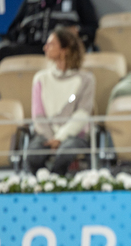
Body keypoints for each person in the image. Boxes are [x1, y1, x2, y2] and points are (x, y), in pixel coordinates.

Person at [27, 26, 95, 175]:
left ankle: (58, 187)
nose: (45, 48)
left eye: (51, 44)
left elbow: (82, 113)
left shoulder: (86, 80)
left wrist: (60, 138)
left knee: (65, 154)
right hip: (46, 134)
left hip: (74, 136)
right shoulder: (40, 79)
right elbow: (38, 115)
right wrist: (51, 138)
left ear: (65, 50)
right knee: (33, 156)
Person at [0, 0, 98, 70]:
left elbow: (93, 28)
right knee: (4, 52)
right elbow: (12, 32)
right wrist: (22, 29)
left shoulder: (78, 1)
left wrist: (77, 30)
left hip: (62, 49)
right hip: (33, 47)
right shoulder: (30, 3)